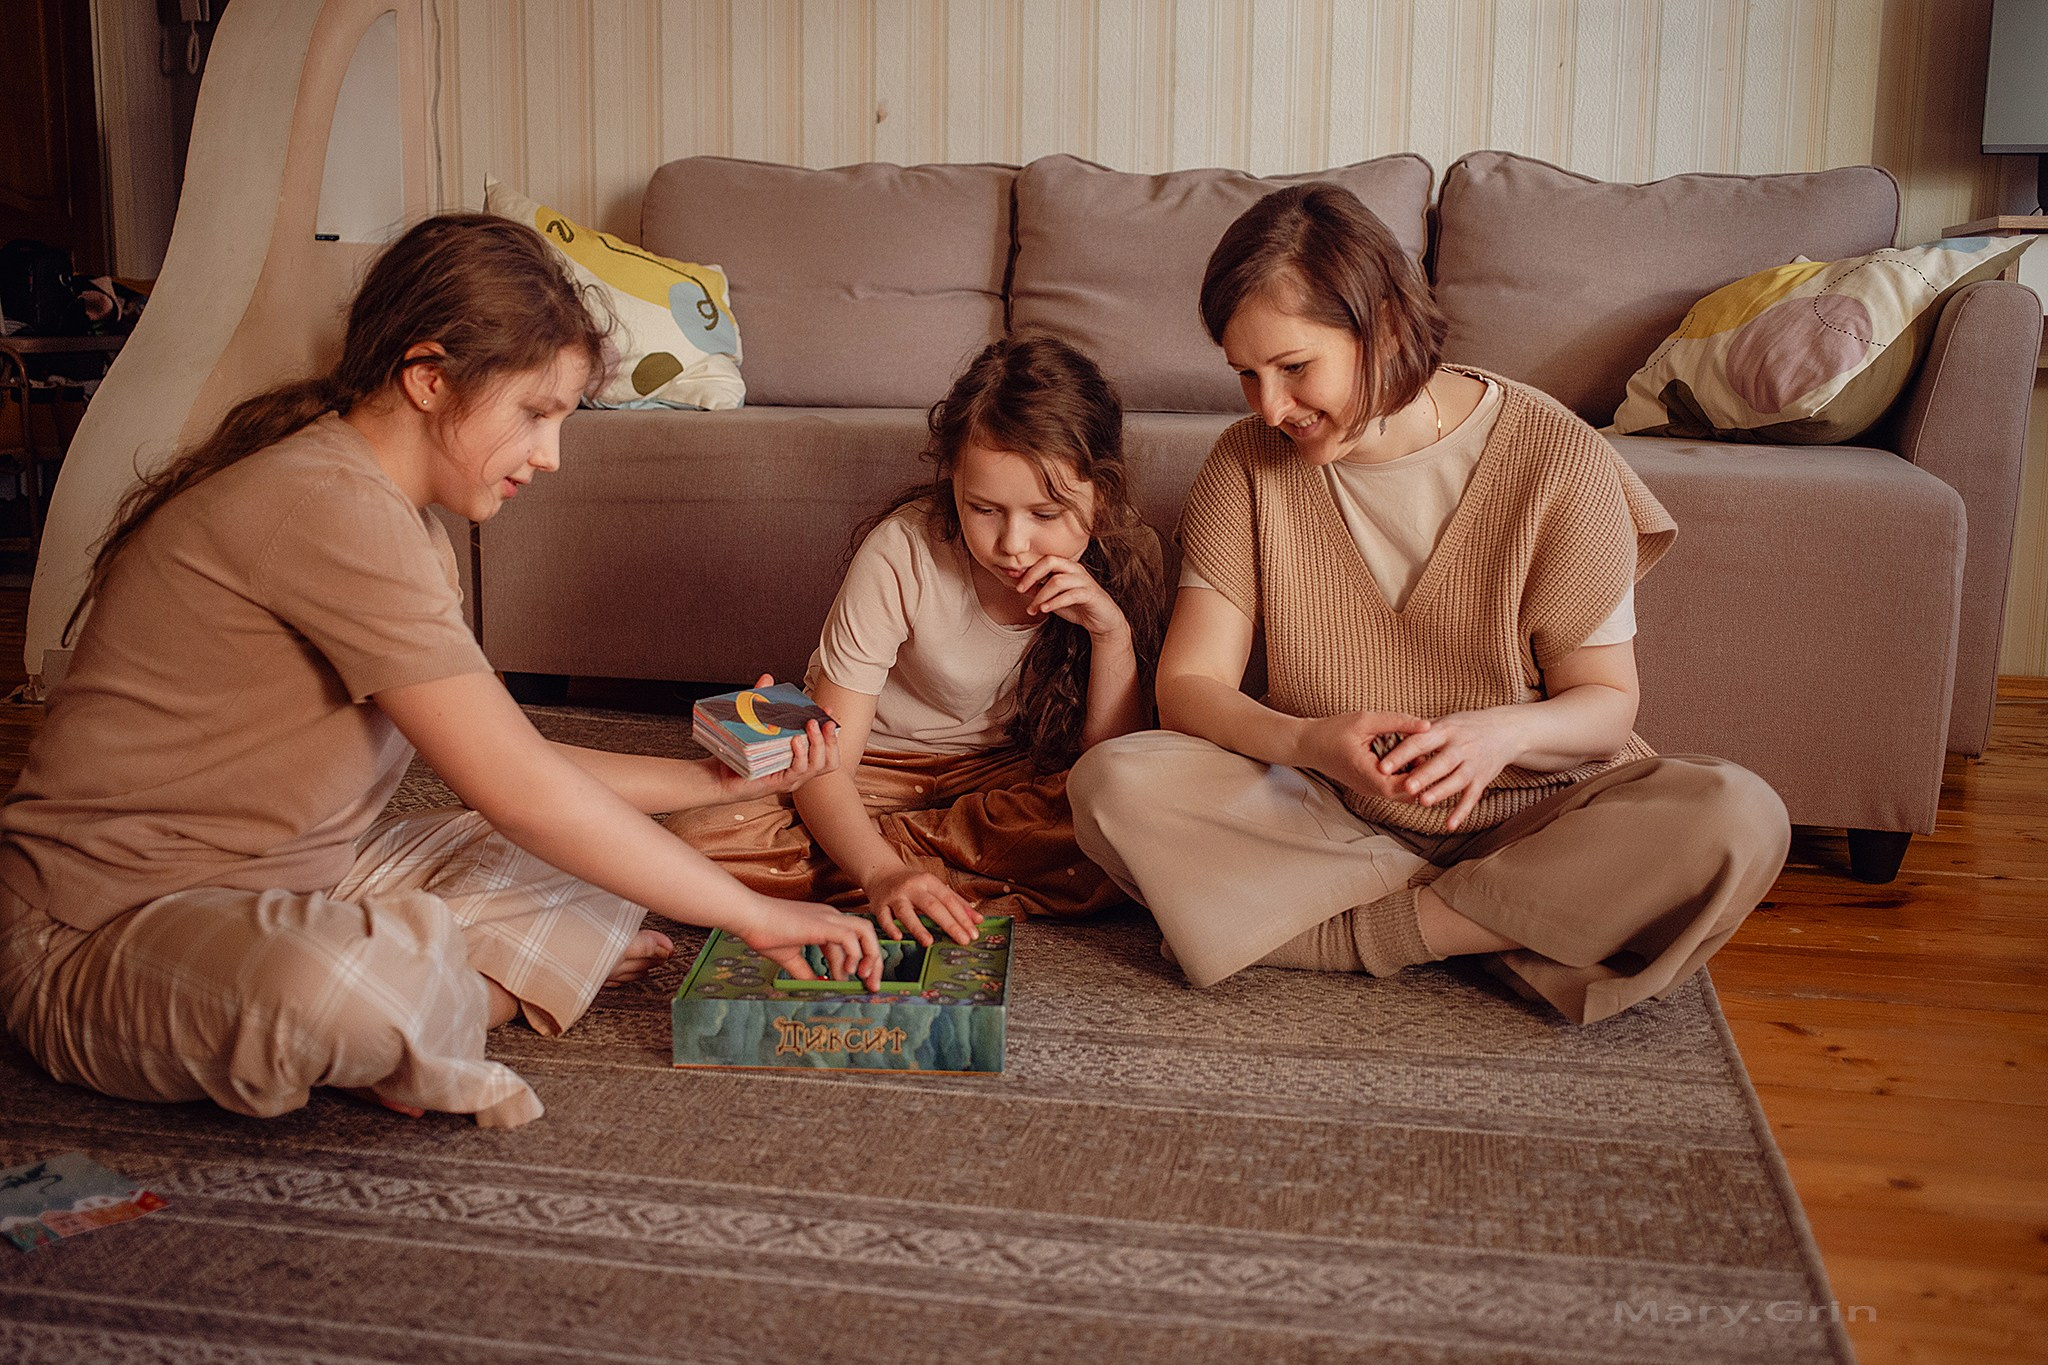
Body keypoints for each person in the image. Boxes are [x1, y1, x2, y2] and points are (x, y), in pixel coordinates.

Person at [0, 213, 881, 1129]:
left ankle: (434, 977)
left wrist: (705, 777)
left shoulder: (404, 521)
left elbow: (515, 758)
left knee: (610, 864)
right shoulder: (326, 504)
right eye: (535, 415)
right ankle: (450, 989)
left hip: (299, 881)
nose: (550, 455)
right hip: (91, 930)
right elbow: (520, 793)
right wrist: (754, 914)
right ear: (428, 378)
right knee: (345, 988)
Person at [1068, 185, 1790, 1025]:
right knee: (1112, 784)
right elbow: (1188, 686)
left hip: (1530, 820)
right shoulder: (1247, 462)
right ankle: (1497, 923)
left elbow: (1606, 706)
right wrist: (1308, 741)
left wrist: (1504, 732)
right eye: (1246, 374)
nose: (1269, 407)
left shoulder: (1556, 456)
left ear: (1383, 326)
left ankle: (1358, 932)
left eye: (1295, 368)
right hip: (1330, 809)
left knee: (1738, 817)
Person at [667, 335, 1166, 946]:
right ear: (952, 477)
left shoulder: (1130, 551)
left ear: (1104, 492)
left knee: (1129, 827)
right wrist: (882, 873)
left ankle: (893, 862)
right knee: (689, 843)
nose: (1013, 544)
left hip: (1001, 777)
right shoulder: (901, 552)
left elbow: (1112, 766)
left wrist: (1110, 632)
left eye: (1044, 515)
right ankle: (921, 870)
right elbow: (829, 763)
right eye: (984, 509)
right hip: (870, 762)